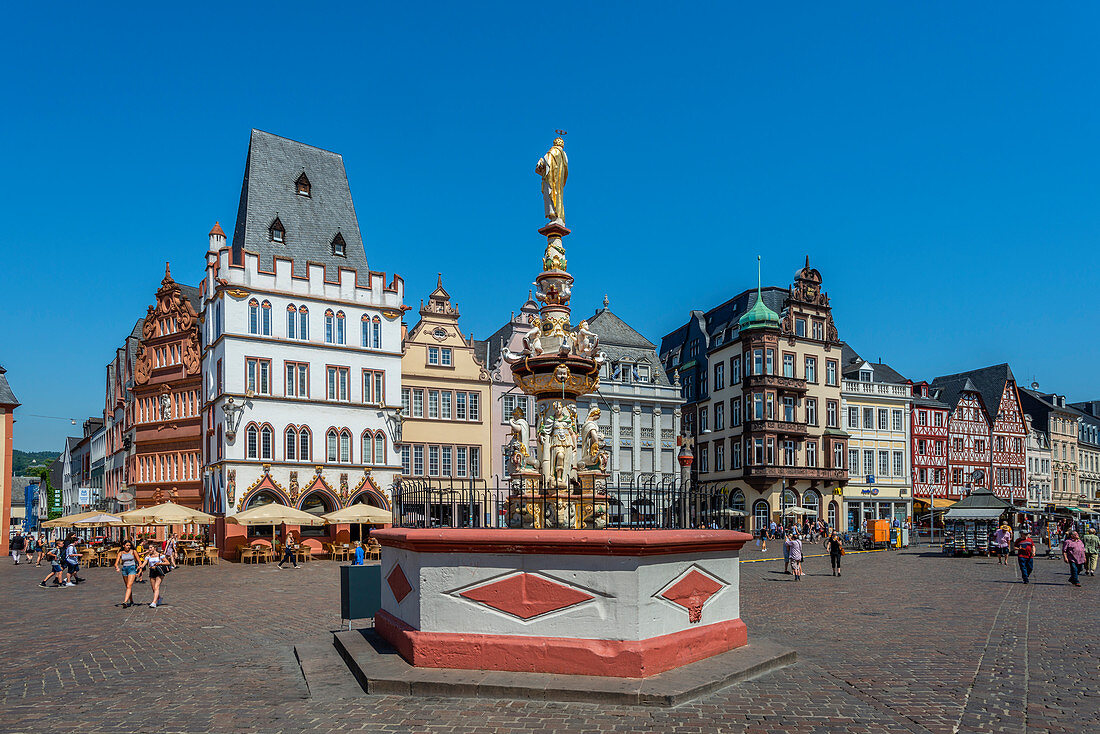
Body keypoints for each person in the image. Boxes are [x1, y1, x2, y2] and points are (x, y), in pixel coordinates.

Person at [114, 540, 141, 607]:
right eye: (127, 545)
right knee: (128, 586)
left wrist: (139, 569)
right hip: (124, 569)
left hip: (132, 568)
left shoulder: (133, 551)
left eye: (129, 545)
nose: (128, 547)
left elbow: (139, 561)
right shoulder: (121, 553)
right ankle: (131, 600)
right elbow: (116, 563)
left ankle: (125, 601)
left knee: (129, 585)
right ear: (124, 546)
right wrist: (117, 567)